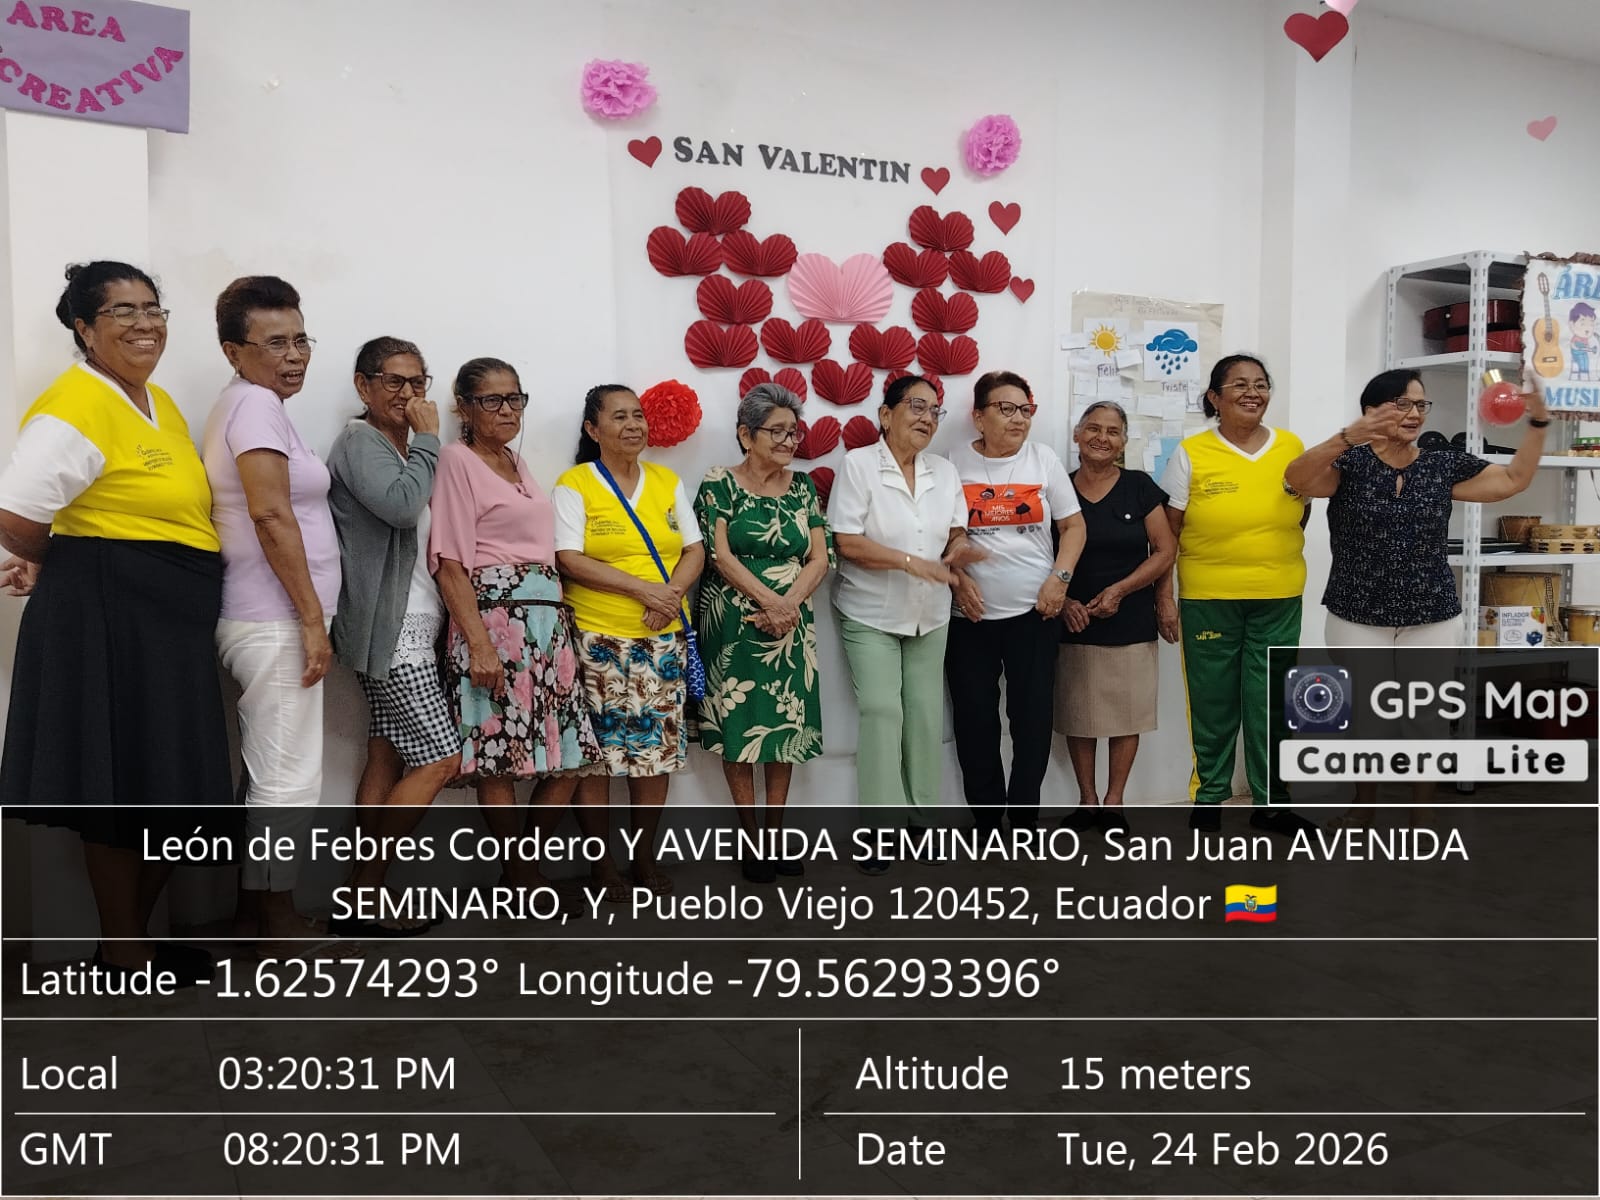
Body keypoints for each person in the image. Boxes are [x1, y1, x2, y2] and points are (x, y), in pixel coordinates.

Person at [0, 261, 227, 980]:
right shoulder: (76, 403)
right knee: (120, 782)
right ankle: (126, 950)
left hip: (166, 622)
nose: (144, 323)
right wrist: (63, 562)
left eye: (153, 308)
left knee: (171, 782)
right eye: (123, 311)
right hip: (109, 617)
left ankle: (129, 943)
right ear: (84, 327)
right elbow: (16, 515)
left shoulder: (159, 402)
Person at [1283, 367, 1550, 826]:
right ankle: (1364, 807)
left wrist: (1539, 422)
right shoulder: (1349, 464)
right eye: (1401, 404)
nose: (1414, 414)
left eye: (1421, 405)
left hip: (1431, 612)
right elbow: (1297, 479)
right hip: (1356, 612)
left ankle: (1422, 812)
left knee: (1426, 717)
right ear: (1371, 410)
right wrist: (1346, 437)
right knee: (1367, 717)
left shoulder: (1441, 463)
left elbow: (1513, 479)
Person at [202, 275, 341, 950]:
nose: (294, 355)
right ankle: (279, 923)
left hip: (270, 614)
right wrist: (311, 620)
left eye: (301, 339)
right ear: (234, 351)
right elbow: (269, 514)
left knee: (267, 768)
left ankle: (253, 914)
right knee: (288, 775)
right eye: (275, 342)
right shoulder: (255, 406)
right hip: (273, 617)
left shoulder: (256, 405)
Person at [430, 358, 598, 894]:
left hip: (547, 627)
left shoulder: (515, 462)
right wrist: (479, 645)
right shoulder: (456, 460)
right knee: (497, 758)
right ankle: (523, 877)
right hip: (496, 624)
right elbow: (449, 562)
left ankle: (519, 867)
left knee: (570, 754)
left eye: (515, 399)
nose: (507, 410)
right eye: (492, 400)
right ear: (464, 407)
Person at [326, 337, 459, 931]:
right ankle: (364, 894)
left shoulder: (400, 448)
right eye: (394, 382)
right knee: (442, 759)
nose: (408, 394)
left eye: (418, 382)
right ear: (364, 386)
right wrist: (430, 439)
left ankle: (363, 899)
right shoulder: (362, 442)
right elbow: (402, 508)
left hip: (413, 626)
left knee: (386, 750)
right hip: (392, 631)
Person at [553, 385, 704, 898]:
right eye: (619, 417)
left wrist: (671, 595)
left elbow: (694, 549)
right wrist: (643, 590)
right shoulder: (575, 483)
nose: (633, 425)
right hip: (597, 638)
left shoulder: (666, 481)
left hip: (662, 639)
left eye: (638, 415)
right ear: (593, 429)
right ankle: (602, 867)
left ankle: (643, 860)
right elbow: (569, 558)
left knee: (654, 753)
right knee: (596, 757)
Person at [830, 374, 980, 872]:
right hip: (870, 611)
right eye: (916, 406)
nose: (927, 418)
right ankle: (879, 830)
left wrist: (960, 551)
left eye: (935, 411)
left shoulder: (944, 471)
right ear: (885, 414)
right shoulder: (859, 465)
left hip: (930, 613)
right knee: (882, 711)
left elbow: (955, 532)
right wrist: (914, 563)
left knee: (924, 715)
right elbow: (847, 542)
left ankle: (922, 823)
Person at [1159, 354, 1313, 836]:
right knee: (1213, 702)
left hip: (1278, 596)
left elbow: (1301, 513)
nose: (1253, 393)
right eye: (1240, 384)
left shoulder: (1291, 447)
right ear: (1214, 397)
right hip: (1208, 598)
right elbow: (1168, 534)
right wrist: (1165, 597)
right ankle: (1210, 797)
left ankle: (1273, 804)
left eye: (1261, 384)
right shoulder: (1191, 452)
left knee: (1271, 702)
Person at [694, 382, 834, 883]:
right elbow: (718, 554)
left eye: (793, 432)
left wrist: (787, 604)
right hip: (733, 622)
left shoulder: (802, 487)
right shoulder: (719, 483)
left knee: (785, 728)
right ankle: (750, 841)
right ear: (745, 435)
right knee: (739, 726)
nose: (788, 441)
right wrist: (769, 601)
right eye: (777, 431)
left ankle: (774, 839)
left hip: (791, 626)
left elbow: (820, 557)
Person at [945, 370, 1085, 834]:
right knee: (974, 719)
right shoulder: (953, 463)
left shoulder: (1042, 460)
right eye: (1006, 408)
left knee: (1031, 719)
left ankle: (1024, 816)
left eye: (1025, 409)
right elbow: (945, 532)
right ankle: (986, 819)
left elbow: (1073, 527)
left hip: (1035, 613)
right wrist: (958, 579)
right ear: (978, 417)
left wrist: (1059, 580)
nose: (1019, 418)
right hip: (970, 617)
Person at [1055, 401, 1178, 834]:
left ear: (1124, 442)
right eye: (1093, 428)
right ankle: (1087, 801)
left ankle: (1114, 803)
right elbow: (1040, 553)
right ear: (1077, 435)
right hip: (1074, 620)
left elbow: (1165, 550)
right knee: (1079, 713)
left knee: (1127, 715)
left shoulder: (1139, 486)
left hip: (1130, 619)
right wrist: (1064, 601)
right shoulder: (1059, 488)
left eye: (1112, 431)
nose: (1101, 438)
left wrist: (1122, 591)